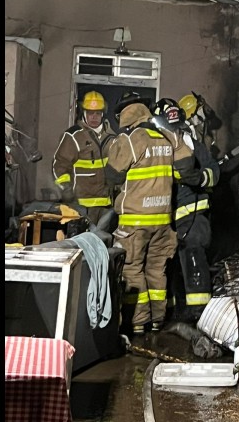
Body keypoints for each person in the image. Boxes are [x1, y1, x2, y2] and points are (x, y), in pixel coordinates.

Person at [105, 98, 202, 335]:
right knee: (157, 270)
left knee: (131, 269)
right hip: (163, 221)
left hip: (134, 222)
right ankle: (157, 320)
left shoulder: (131, 139)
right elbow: (187, 167)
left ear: (126, 118)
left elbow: (113, 176)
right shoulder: (168, 136)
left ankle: (137, 322)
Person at [152, 98, 220, 323]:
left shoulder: (191, 143)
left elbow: (212, 170)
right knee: (167, 266)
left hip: (193, 216)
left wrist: (199, 178)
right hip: (164, 218)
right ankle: (171, 313)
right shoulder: (156, 145)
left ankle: (200, 315)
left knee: (193, 258)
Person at [52, 90, 117, 227]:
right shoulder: (73, 136)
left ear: (103, 114)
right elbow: (60, 165)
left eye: (98, 113)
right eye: (90, 113)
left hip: (106, 205)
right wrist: (66, 190)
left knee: (102, 238)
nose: (94, 117)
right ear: (84, 113)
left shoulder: (111, 137)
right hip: (81, 205)